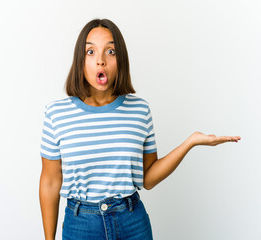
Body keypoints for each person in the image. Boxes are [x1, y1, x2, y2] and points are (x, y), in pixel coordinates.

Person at [39, 18, 241, 240]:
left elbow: (148, 179)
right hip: (81, 226)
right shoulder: (56, 114)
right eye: (90, 52)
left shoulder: (139, 110)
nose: (100, 61)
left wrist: (189, 142)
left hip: (132, 223)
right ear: (80, 60)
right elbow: (49, 182)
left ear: (121, 59)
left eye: (110, 51)